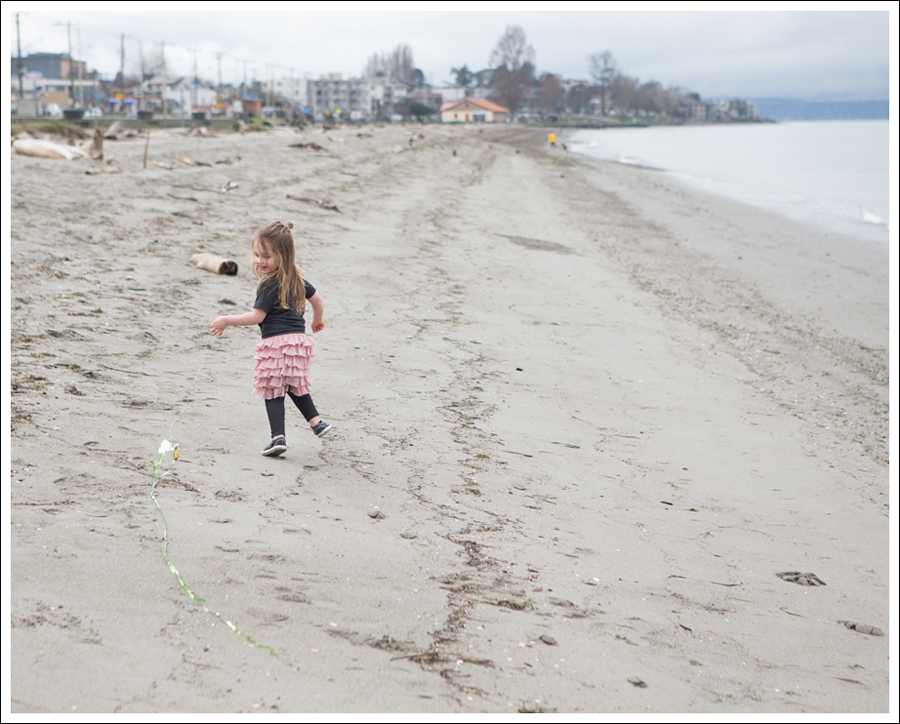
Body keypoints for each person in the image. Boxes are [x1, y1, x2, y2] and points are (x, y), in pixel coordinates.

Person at [210, 221, 331, 457]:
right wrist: (317, 320)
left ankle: (278, 438)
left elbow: (257, 316)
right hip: (298, 343)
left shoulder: (268, 285)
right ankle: (317, 422)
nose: (260, 261)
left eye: (266, 256)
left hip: (276, 343)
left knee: (273, 389)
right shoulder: (298, 279)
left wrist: (227, 319)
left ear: (283, 256)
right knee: (294, 384)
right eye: (257, 255)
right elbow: (317, 300)